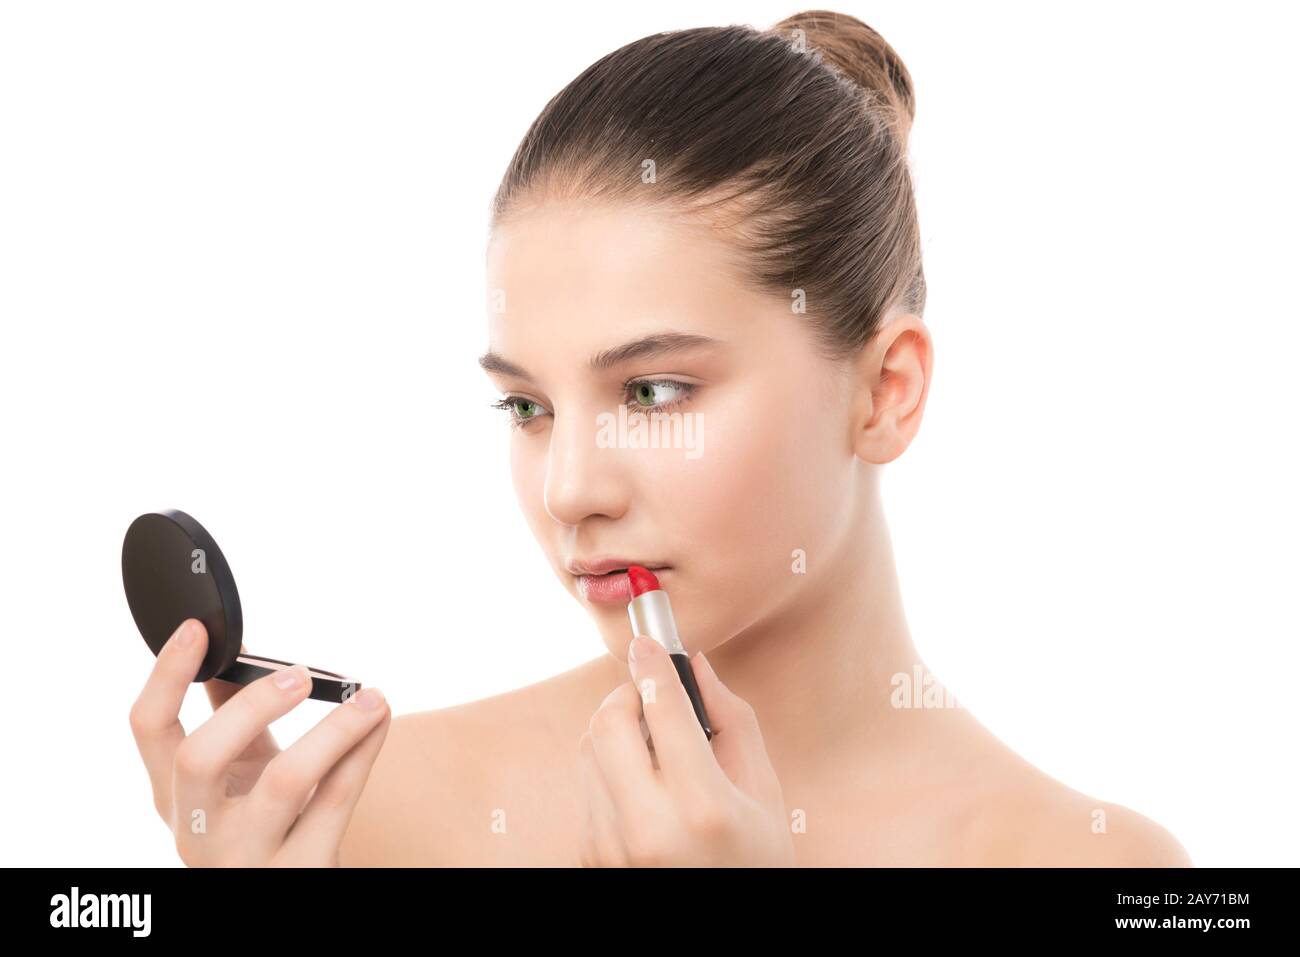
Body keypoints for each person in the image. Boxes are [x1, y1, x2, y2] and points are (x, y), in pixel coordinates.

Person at [130, 10, 1192, 867]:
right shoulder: (368, 818)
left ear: (886, 393)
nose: (569, 491)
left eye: (653, 389)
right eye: (529, 408)